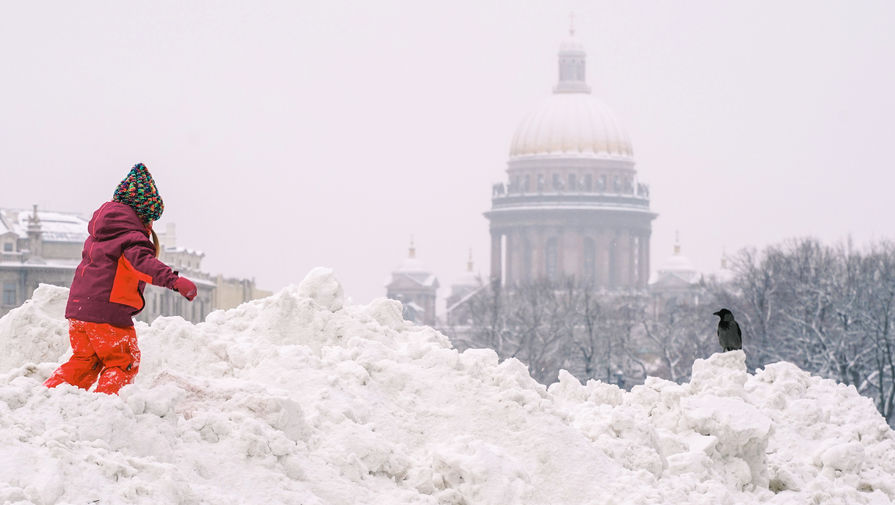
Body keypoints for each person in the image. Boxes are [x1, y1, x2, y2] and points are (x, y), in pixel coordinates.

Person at [44, 163, 197, 395]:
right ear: (143, 215)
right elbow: (143, 264)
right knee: (123, 362)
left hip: (78, 312)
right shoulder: (131, 238)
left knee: (85, 361)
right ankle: (104, 409)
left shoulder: (99, 234)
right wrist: (174, 281)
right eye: (151, 219)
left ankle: (48, 397)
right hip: (108, 316)